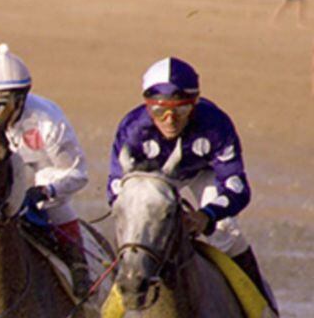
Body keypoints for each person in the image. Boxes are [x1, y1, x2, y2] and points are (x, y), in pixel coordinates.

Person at [108, 56, 273, 304]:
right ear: (147, 106)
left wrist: (206, 216)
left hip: (201, 173)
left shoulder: (216, 124)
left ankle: (263, 314)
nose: (169, 120)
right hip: (151, 179)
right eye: (159, 111)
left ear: (194, 104)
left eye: (181, 109)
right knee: (136, 233)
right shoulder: (133, 129)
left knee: (226, 232)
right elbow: (116, 190)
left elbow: (236, 187)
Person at [0, 43, 92, 297]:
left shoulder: (48, 120)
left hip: (43, 188)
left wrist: (47, 191)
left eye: (5, 105)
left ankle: (79, 271)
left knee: (56, 205)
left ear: (22, 98)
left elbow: (79, 173)